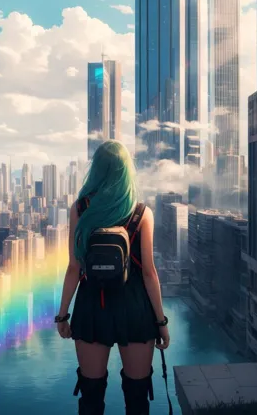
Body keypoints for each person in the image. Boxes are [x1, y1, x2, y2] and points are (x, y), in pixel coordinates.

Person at [55, 140, 170, 415]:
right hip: (136, 309)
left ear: (96, 170)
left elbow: (74, 267)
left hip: (92, 306)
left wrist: (62, 315)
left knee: (91, 398)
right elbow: (149, 273)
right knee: (137, 397)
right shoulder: (142, 213)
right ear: (126, 171)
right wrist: (161, 322)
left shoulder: (81, 209)